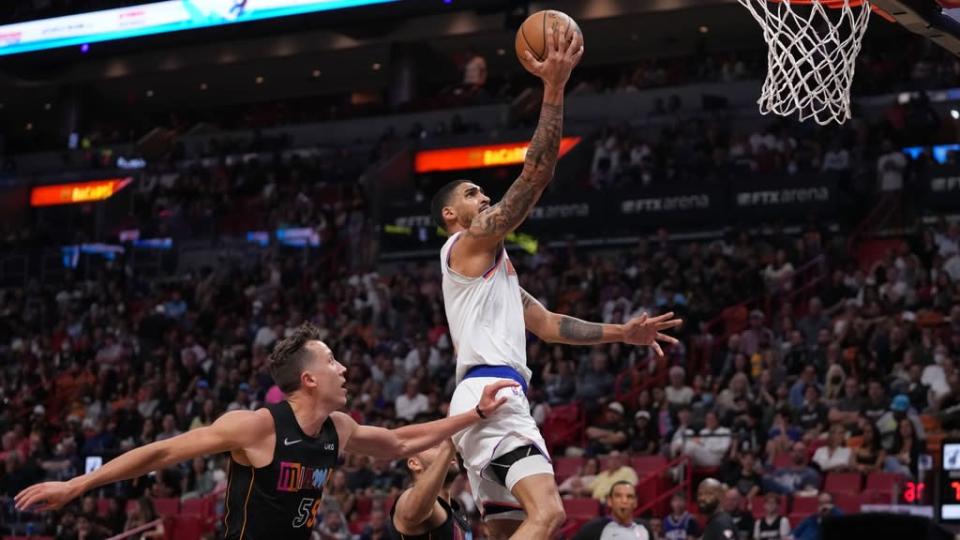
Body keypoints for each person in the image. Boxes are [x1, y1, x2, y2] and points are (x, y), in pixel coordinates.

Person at [431, 22, 679, 539]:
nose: (484, 198)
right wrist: (553, 88)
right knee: (548, 515)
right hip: (494, 392)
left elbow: (548, 325)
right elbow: (537, 173)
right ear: (452, 217)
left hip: (485, 395)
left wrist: (623, 334)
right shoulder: (466, 244)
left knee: (508, 531)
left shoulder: (489, 275)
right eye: (473, 194)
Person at [14, 324, 514, 540]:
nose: (344, 368)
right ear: (309, 379)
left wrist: (474, 414)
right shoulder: (255, 427)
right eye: (332, 360)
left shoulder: (338, 428)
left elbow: (402, 441)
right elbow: (163, 452)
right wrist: (77, 485)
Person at [389, 439, 470, 540]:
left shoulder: (457, 510)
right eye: (435, 445)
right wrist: (448, 447)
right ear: (414, 463)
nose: (451, 451)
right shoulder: (406, 497)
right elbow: (410, 515)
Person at [572, 481, 653, 540]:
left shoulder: (644, 528)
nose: (624, 500)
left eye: (629, 496)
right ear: (609, 501)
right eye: (618, 496)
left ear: (635, 502)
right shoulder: (593, 528)